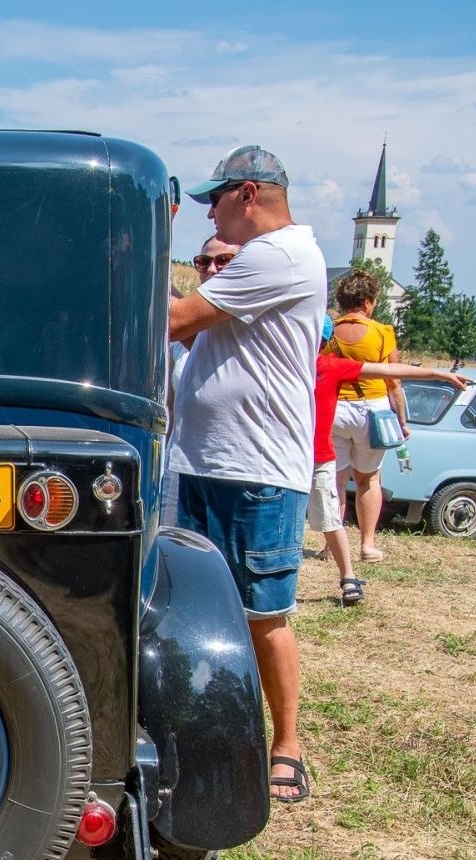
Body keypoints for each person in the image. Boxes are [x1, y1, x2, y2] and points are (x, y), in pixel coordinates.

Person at [168, 145, 325, 805]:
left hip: (255, 468)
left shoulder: (280, 255)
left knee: (263, 613)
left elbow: (175, 319)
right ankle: (206, 728)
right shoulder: (267, 259)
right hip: (207, 461)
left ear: (250, 194)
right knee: (191, 608)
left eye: (216, 199)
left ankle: (285, 741)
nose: (210, 212)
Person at [311, 356, 469, 605]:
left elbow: (387, 370)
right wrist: (439, 375)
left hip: (314, 457)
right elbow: (387, 369)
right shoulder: (297, 362)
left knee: (330, 517)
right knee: (324, 516)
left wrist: (439, 374)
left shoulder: (325, 365)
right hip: (295, 455)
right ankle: (348, 577)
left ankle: (348, 577)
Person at [161, 234, 240, 526]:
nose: (212, 269)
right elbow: (170, 405)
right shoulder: (183, 331)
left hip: (229, 465)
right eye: (203, 262)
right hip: (182, 460)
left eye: (224, 260)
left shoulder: (245, 323)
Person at [325, 270, 403, 561]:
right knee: (368, 479)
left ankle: (330, 543)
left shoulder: (329, 330)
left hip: (335, 409)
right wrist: (402, 419)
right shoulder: (382, 332)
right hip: (373, 409)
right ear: (369, 302)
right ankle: (367, 544)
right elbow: (393, 380)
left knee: (334, 480)